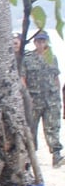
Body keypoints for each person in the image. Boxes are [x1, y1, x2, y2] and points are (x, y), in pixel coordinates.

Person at [22, 30, 63, 167]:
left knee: (52, 127)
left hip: (51, 99)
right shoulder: (28, 58)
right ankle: (30, 157)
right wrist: (26, 97)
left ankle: (56, 155)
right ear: (34, 42)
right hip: (34, 100)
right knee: (31, 128)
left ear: (47, 42)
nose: (40, 43)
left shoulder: (52, 57)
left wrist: (58, 96)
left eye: (43, 41)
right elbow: (23, 79)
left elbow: (56, 78)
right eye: (38, 41)